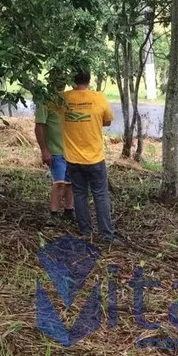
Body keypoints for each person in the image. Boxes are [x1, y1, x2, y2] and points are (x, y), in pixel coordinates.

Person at [59, 70, 115, 242]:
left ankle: (85, 231)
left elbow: (43, 102)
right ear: (89, 79)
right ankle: (106, 234)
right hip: (95, 158)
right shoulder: (98, 98)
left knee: (80, 193)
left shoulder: (62, 99)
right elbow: (108, 120)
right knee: (101, 195)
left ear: (72, 78)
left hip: (73, 159)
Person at [34, 78, 75, 226]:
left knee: (70, 182)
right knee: (58, 182)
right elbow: (39, 126)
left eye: (64, 77)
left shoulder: (68, 98)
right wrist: (44, 150)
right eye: (58, 77)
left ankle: (69, 211)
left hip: (71, 150)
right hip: (55, 150)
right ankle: (53, 213)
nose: (61, 81)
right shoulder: (45, 101)